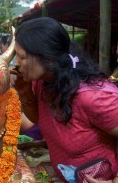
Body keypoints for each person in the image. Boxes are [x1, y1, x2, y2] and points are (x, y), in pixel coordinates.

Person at [12, 17, 118, 182]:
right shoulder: (42, 82)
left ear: (48, 59)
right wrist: (25, 93)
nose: (16, 64)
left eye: (22, 57)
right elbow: (37, 119)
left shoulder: (92, 97)